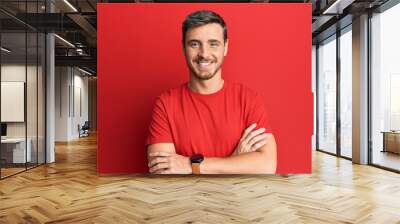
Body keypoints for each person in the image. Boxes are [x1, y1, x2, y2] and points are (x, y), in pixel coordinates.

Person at [145, 10, 277, 174]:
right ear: (183, 48)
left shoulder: (248, 99)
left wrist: (191, 165)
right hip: (184, 199)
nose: (204, 54)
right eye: (194, 44)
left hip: (237, 198)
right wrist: (234, 160)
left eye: (213, 44)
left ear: (226, 47)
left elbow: (267, 165)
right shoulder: (165, 103)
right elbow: (162, 170)